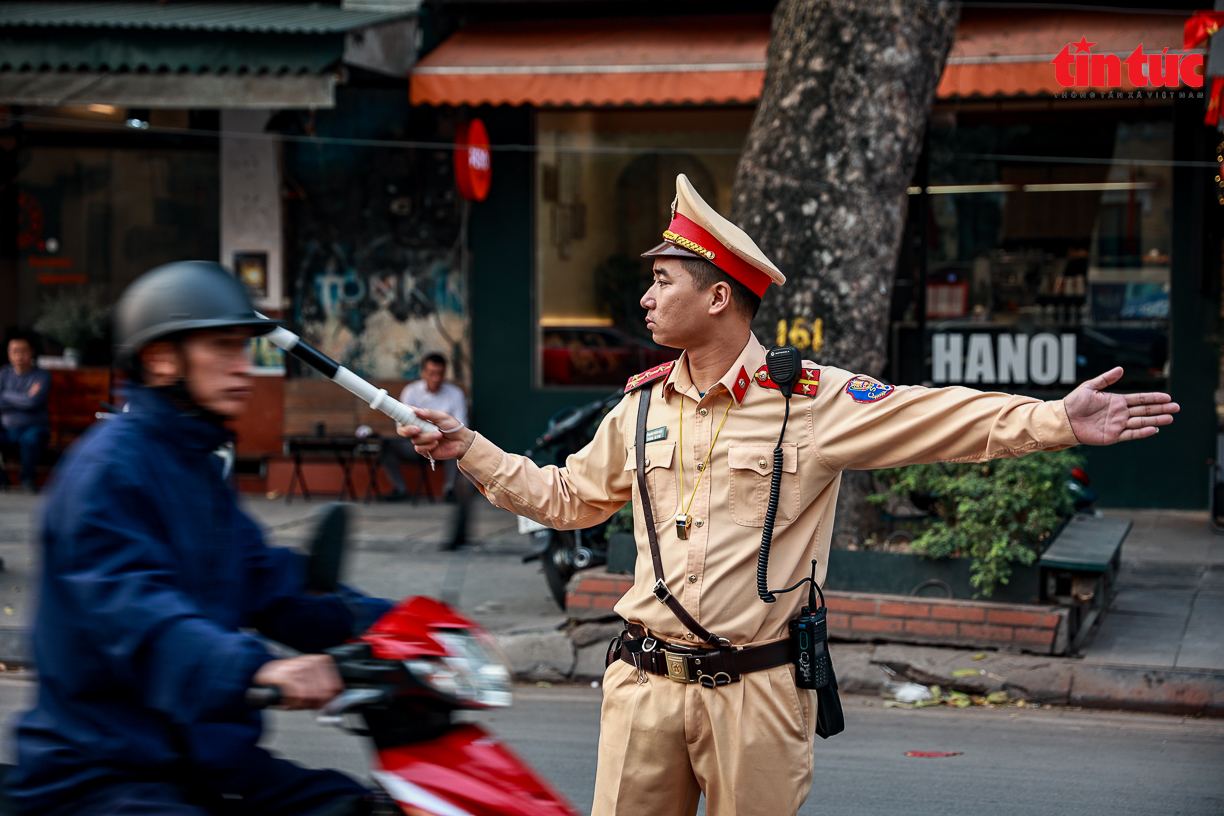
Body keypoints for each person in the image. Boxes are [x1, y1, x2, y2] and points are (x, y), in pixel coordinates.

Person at [398, 174, 1179, 816]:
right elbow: (569, 498)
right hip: (642, 687)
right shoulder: (638, 406)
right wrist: (471, 448)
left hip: (756, 693)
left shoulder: (810, 400)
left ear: (717, 299)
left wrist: (1054, 419)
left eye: (662, 280)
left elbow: (932, 414)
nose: (645, 297)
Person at [8, 261, 393, 816]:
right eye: (223, 348)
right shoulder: (106, 473)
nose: (244, 369)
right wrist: (257, 668)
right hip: (103, 776)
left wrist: (396, 626)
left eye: (245, 349)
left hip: (208, 765)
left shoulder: (195, 470)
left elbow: (268, 580)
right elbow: (144, 619)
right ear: (162, 359)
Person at [379, 352, 468, 501]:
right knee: (385, 445)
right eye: (432, 373)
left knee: (456, 445)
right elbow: (401, 423)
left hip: (444, 441)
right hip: (415, 444)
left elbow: (462, 426)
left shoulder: (455, 394)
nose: (436, 378)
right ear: (423, 373)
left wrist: (439, 433)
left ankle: (450, 490)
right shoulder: (411, 391)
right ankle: (400, 488)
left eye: (440, 373)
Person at [0, 332, 51, 492]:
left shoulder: (42, 375)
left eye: (22, 351)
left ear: (31, 352)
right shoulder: (3, 373)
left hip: (34, 427)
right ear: (8, 353)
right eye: (14, 351)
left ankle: (27, 478)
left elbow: (33, 402)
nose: (18, 355)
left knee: (31, 439)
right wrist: (25, 396)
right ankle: (2, 480)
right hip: (7, 429)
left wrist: (6, 394)